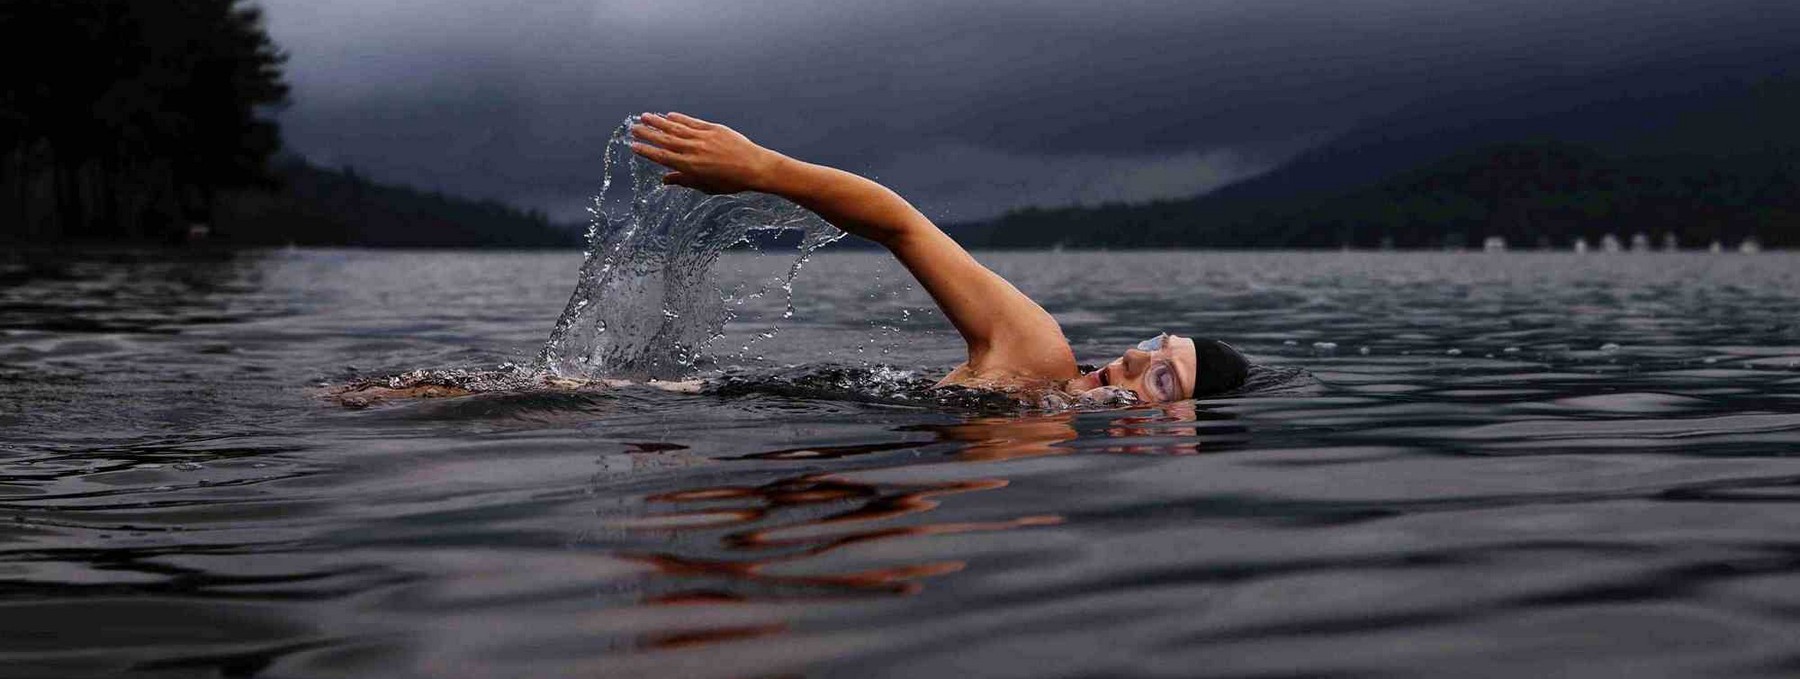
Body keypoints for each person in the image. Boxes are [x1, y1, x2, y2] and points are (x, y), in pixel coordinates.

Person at [629, 112, 1249, 404]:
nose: (1136, 356)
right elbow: (903, 227)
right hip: (665, 402)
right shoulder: (1036, 357)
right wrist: (765, 170)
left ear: (1179, 434)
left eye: (1163, 377)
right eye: (1155, 344)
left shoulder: (1042, 468)